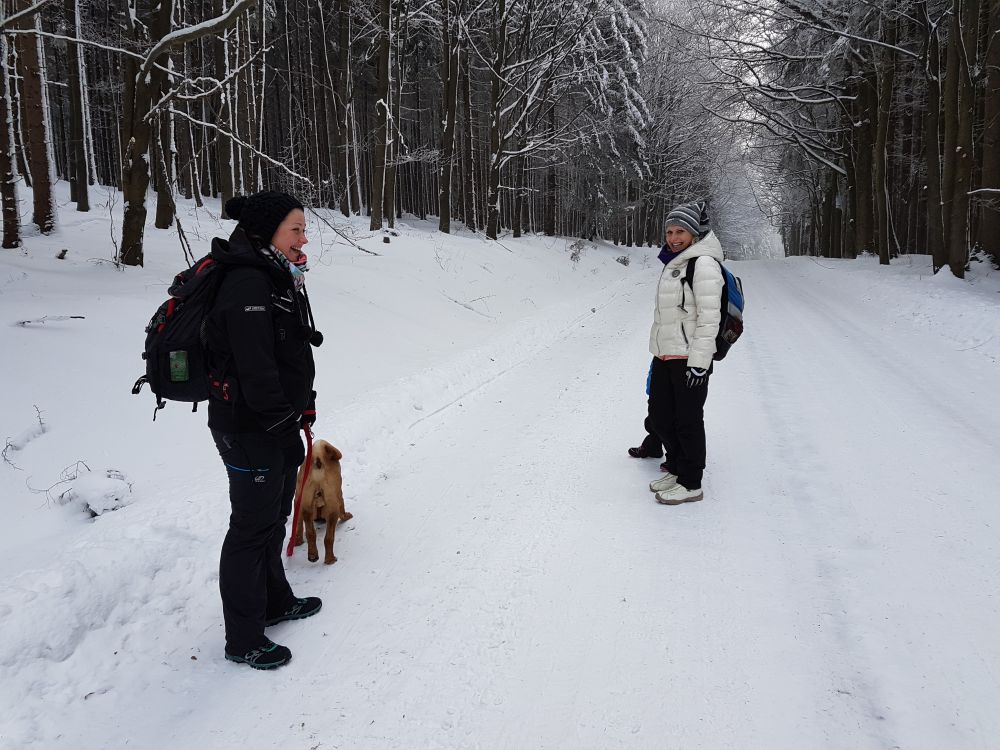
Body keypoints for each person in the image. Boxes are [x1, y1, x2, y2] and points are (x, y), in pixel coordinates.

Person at [204, 190, 324, 669]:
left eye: (303, 228)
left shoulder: (275, 276)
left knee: (273, 519)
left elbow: (290, 353)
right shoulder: (247, 283)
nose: (303, 237)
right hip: (249, 427)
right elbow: (255, 368)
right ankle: (243, 638)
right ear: (268, 232)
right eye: (295, 228)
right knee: (250, 529)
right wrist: (282, 421)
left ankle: (275, 602)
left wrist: (304, 407)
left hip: (276, 424)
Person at [647, 201, 724, 505]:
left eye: (680, 231)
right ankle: (677, 467)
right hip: (665, 355)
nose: (674, 237)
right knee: (660, 417)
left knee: (687, 421)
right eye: (669, 231)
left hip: (689, 358)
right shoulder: (675, 262)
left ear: (695, 233)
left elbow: (709, 318)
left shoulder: (702, 263)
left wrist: (700, 363)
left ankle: (691, 481)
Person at [627, 358, 668, 471]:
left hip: (672, 381)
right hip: (657, 385)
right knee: (652, 421)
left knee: (667, 423)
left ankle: (675, 458)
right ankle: (653, 447)